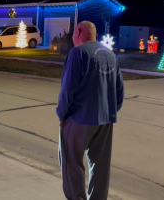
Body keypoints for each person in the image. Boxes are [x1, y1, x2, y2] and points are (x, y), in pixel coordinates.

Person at [57, 21, 124, 200]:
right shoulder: (110, 54)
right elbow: (119, 91)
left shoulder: (77, 53)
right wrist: (110, 111)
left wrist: (62, 115)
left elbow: (67, 89)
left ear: (78, 32)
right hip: (106, 120)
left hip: (80, 118)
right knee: (100, 166)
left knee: (71, 162)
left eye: (73, 34)